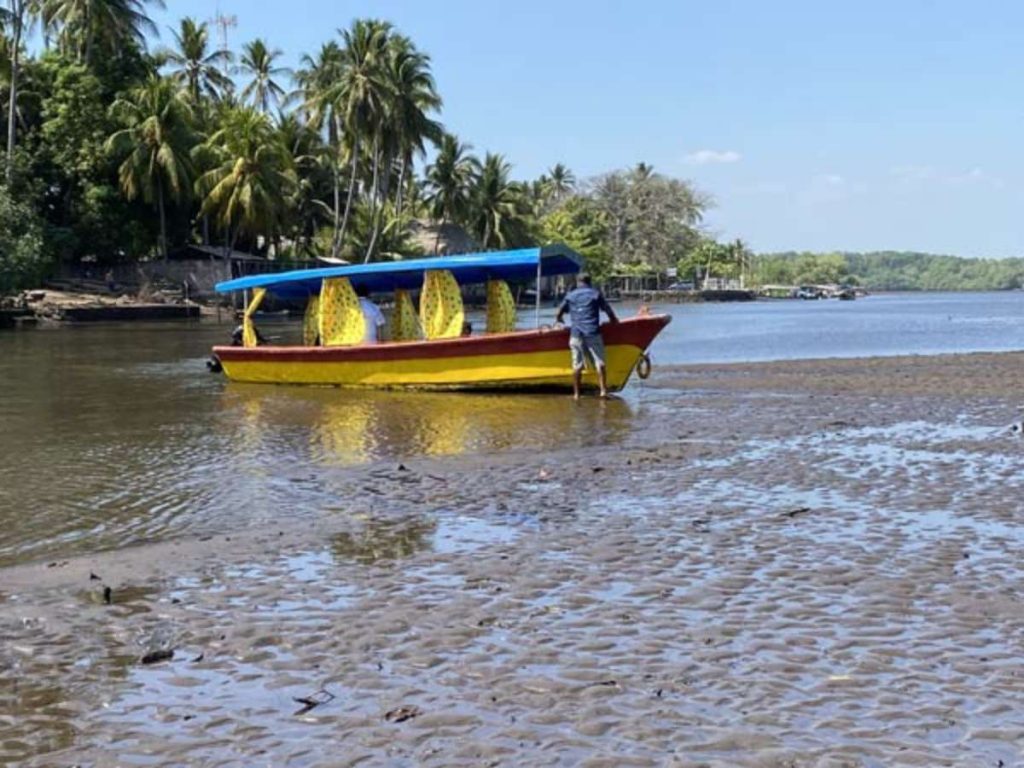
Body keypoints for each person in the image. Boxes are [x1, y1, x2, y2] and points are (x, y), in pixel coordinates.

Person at [555, 273, 619, 400]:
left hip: (576, 334)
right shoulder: (595, 294)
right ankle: (602, 391)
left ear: (578, 282)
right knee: (600, 362)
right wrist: (614, 320)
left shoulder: (571, 295)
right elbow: (607, 309)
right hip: (592, 332)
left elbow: (558, 312)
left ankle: (576, 394)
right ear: (590, 282)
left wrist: (559, 319)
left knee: (577, 365)